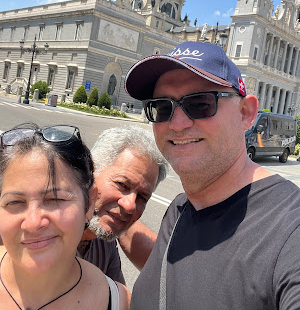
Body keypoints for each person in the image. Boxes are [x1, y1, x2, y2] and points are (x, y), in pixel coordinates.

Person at [125, 40, 300, 309]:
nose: (177, 123)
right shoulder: (180, 208)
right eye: (162, 107)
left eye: (200, 103)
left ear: (246, 113)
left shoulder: (289, 227)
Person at [0, 123, 130, 310]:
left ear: (89, 203)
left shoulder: (119, 302)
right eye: (15, 202)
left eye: (55, 199)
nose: (33, 223)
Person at [77, 125, 168, 283]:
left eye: (142, 197)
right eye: (122, 185)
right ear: (90, 170)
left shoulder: (104, 242)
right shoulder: (46, 235)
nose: (130, 205)